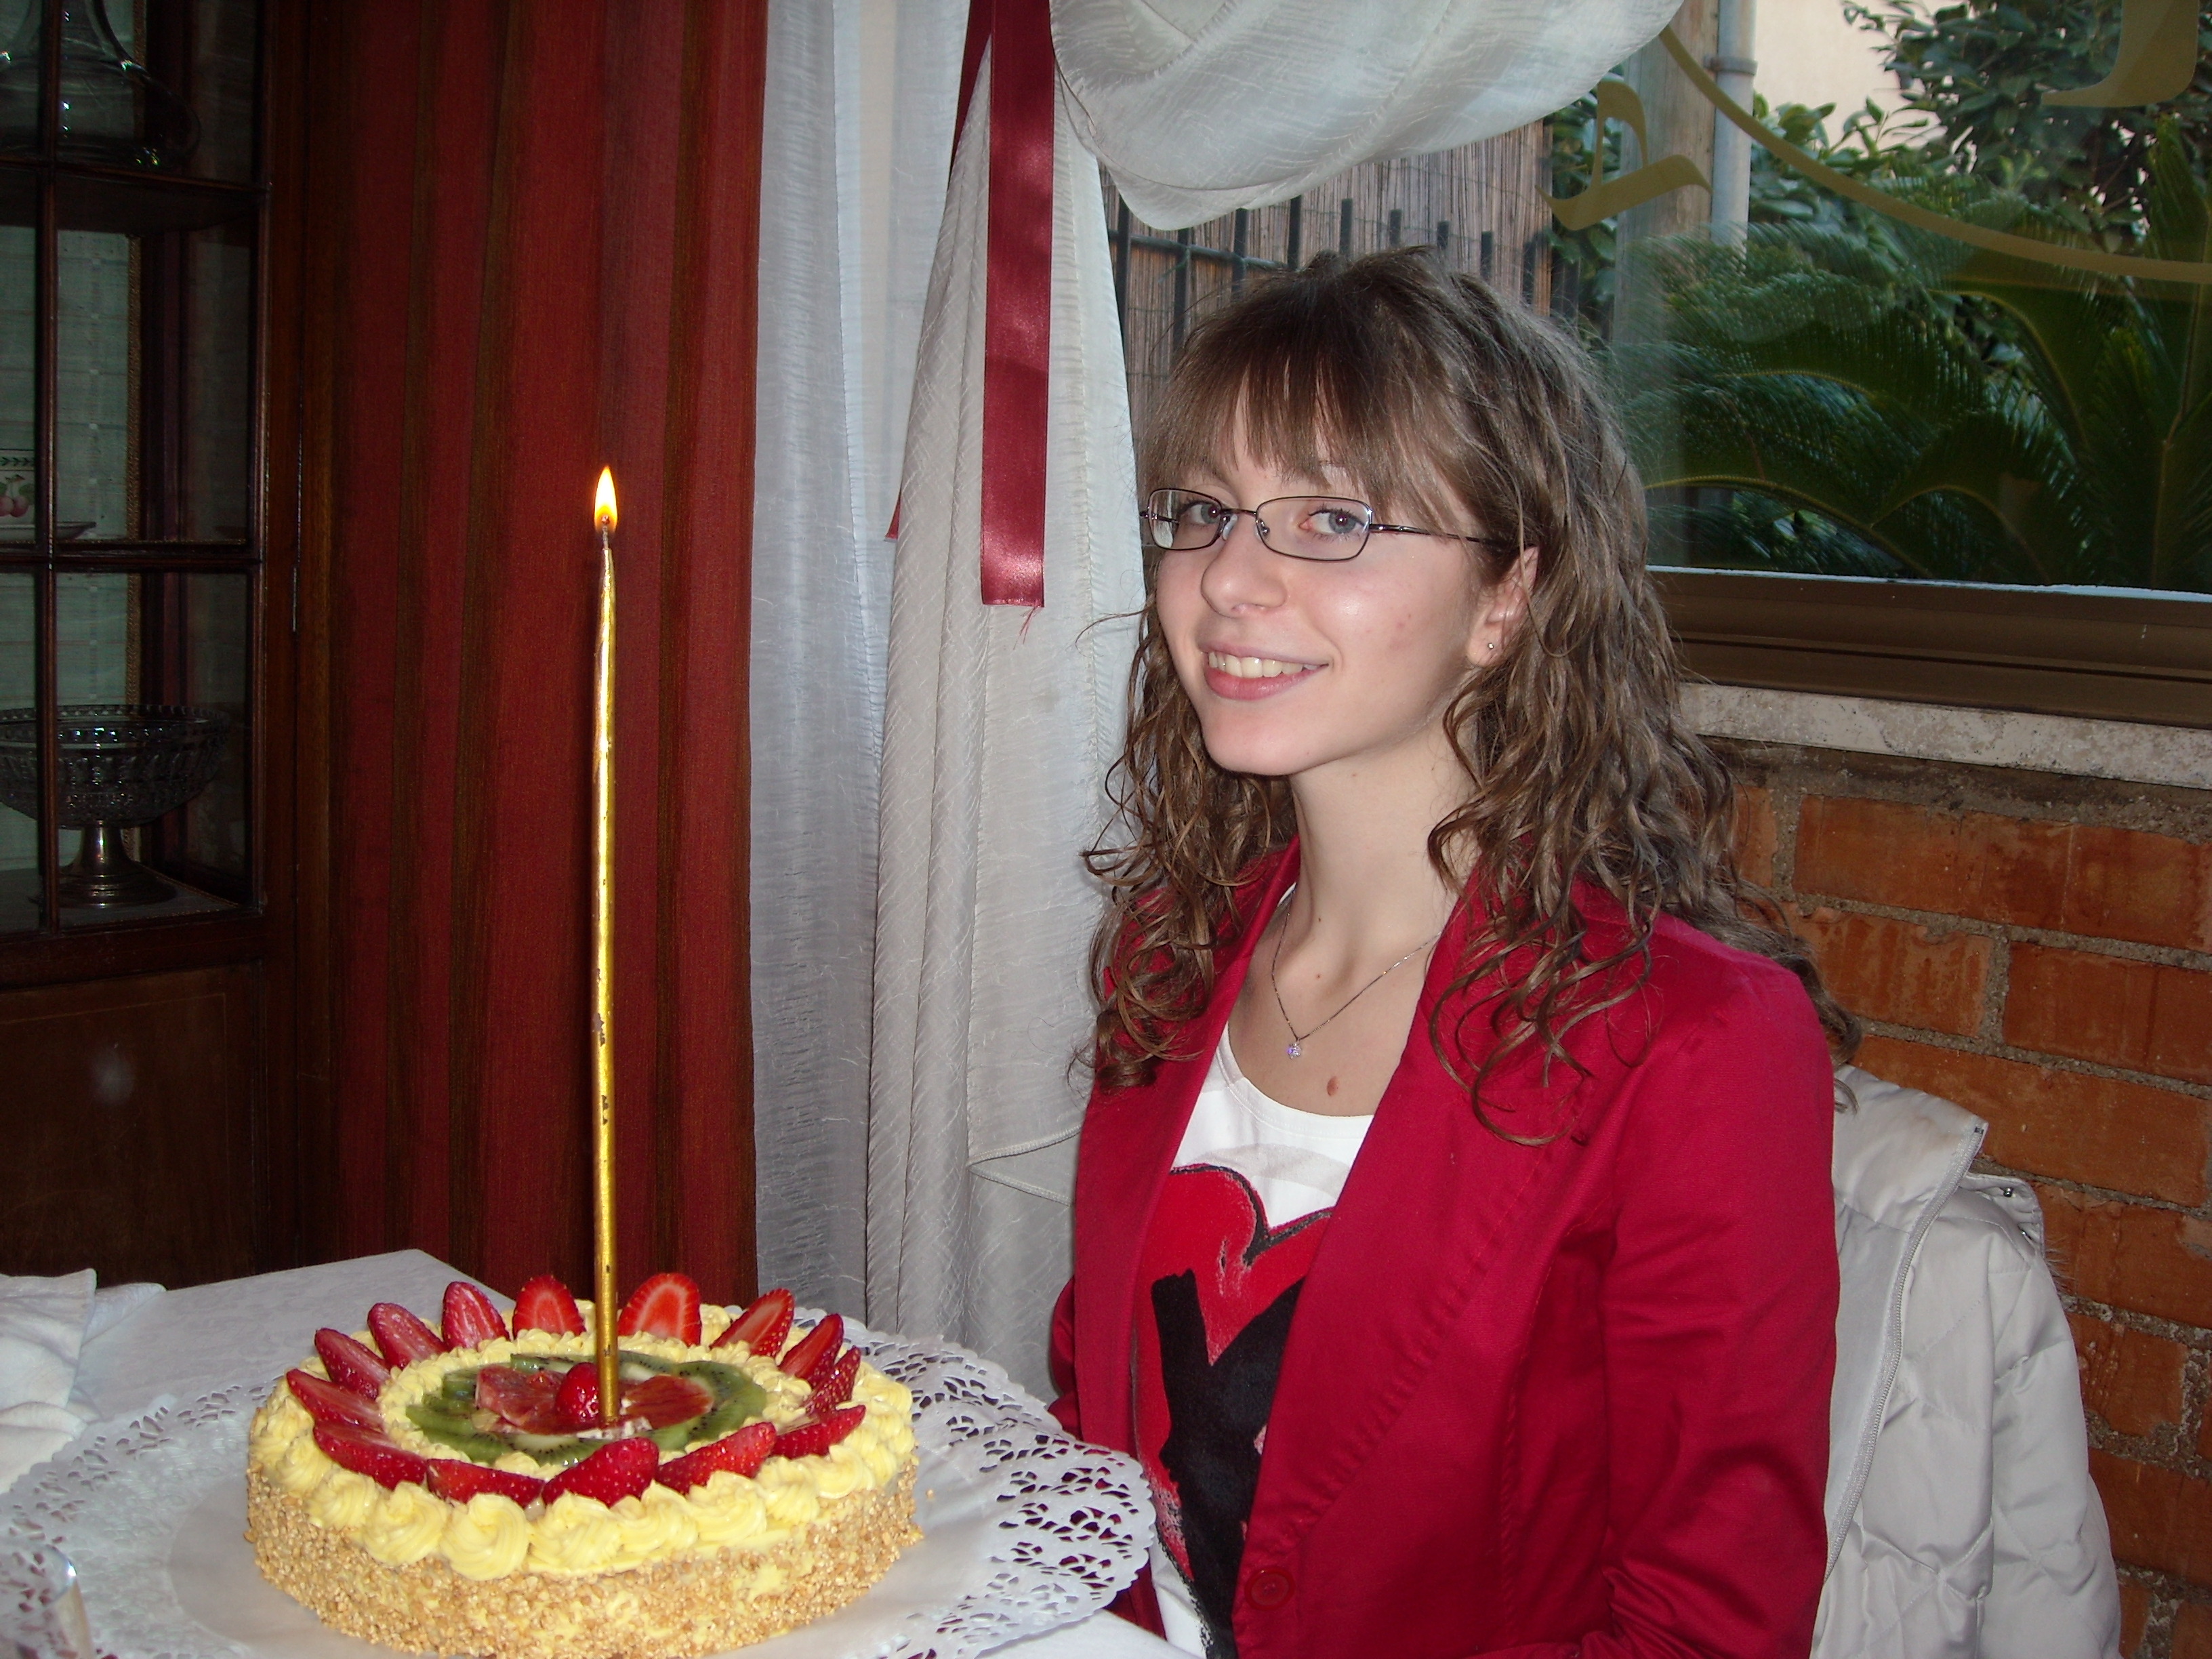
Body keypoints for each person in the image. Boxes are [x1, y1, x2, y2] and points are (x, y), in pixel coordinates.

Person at [1048, 247, 1853, 1659]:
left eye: (1333, 519)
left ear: (1508, 595)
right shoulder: (1174, 956)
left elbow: (1706, 1623)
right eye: (1204, 512)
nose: (1227, 579)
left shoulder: (1699, 1047)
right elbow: (1095, 1429)